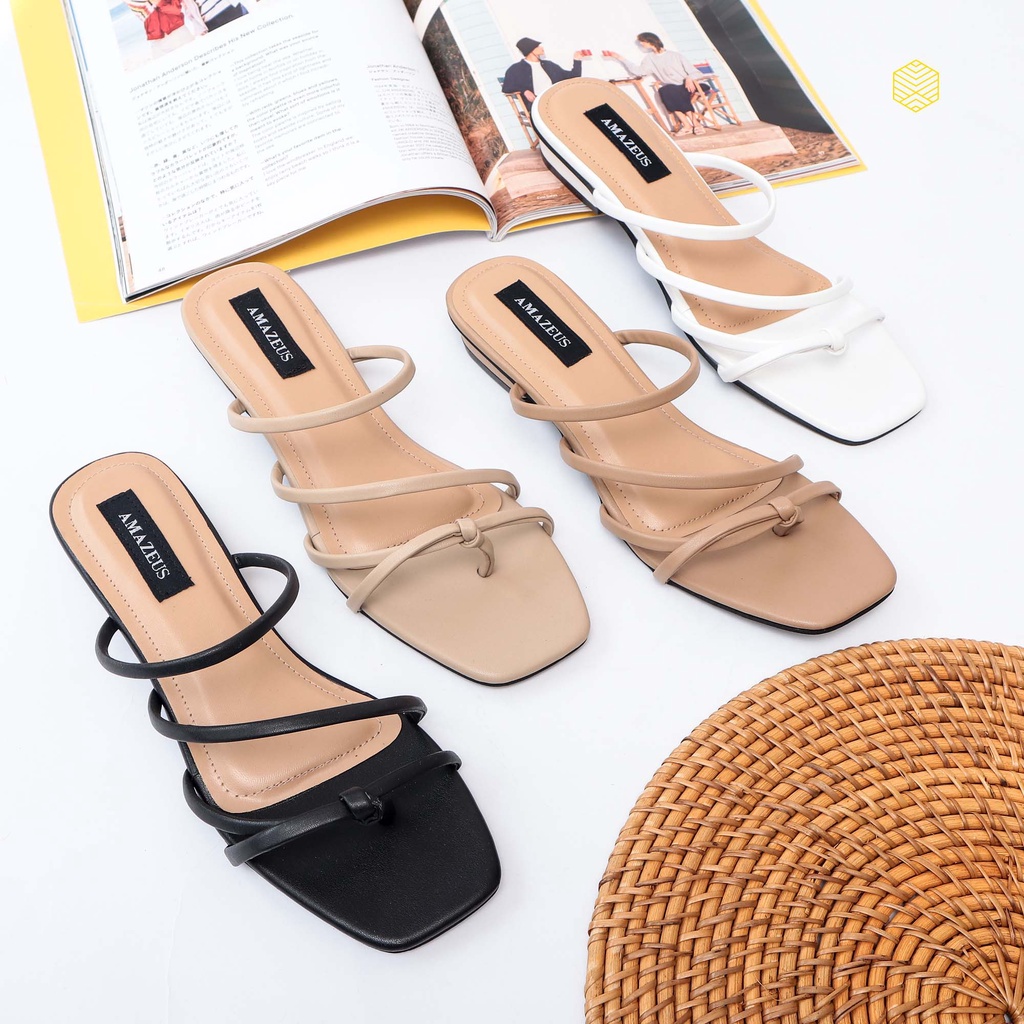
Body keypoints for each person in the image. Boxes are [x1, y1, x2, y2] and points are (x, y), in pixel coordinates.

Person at [605, 33, 710, 135]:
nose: (641, 44)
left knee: (675, 92)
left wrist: (689, 78)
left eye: (642, 41)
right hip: (675, 88)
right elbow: (639, 71)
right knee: (665, 91)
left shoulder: (675, 55)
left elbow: (696, 72)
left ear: (650, 41)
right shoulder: (649, 59)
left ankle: (695, 124)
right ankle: (687, 125)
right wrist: (620, 58)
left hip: (693, 84)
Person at [502, 38, 586, 110]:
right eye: (538, 46)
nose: (541, 48)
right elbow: (506, 87)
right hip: (538, 106)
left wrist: (577, 60)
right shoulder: (516, 69)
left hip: (558, 100)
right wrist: (524, 91)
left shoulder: (549, 65)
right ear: (530, 50)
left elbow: (573, 76)